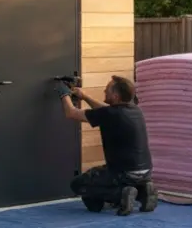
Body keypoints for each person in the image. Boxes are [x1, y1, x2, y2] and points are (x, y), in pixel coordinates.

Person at [56, 75, 157, 215]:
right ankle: (143, 192)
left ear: (115, 96)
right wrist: (83, 96)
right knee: (104, 182)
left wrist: (63, 93)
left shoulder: (110, 114)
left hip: (123, 173)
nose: (104, 91)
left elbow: (72, 113)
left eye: (107, 90)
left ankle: (121, 195)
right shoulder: (135, 110)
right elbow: (104, 110)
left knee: (78, 184)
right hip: (145, 172)